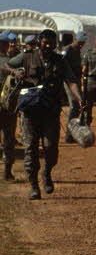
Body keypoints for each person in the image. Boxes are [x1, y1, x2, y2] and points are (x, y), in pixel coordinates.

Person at [11, 28, 81, 199]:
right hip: (30, 112)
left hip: (50, 112)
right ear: (39, 42)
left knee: (51, 148)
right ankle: (34, 186)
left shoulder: (60, 61)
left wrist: (79, 97)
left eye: (51, 43)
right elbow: (7, 64)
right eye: (45, 42)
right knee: (30, 149)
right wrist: (15, 72)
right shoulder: (27, 56)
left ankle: (47, 173)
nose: (48, 45)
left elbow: (71, 80)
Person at [61, 32, 84, 143]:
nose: (81, 45)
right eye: (79, 43)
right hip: (69, 82)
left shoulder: (77, 50)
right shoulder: (67, 50)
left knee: (78, 106)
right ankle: (69, 135)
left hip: (77, 81)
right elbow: (61, 64)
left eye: (83, 43)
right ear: (75, 40)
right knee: (74, 105)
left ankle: (73, 133)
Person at [0, 33, 17, 180]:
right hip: (8, 107)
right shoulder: (12, 62)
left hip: (6, 106)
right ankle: (7, 172)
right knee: (8, 139)